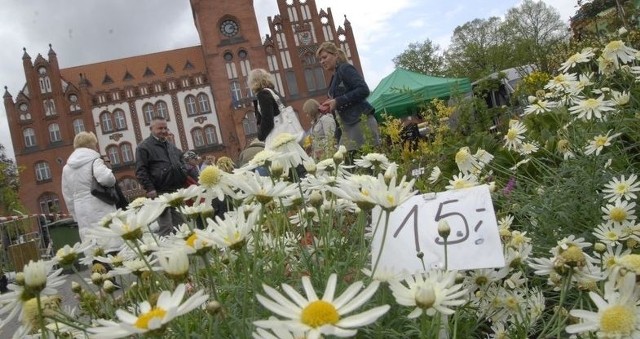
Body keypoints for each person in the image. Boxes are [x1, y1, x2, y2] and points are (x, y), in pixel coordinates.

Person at [316, 41, 380, 162]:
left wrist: (338, 101)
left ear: (335, 55)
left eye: (324, 57)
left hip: (360, 122)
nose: (322, 61)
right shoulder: (334, 78)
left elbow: (363, 90)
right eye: (320, 59)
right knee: (349, 166)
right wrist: (336, 136)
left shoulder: (345, 68)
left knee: (363, 166)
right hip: (347, 126)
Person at [61, 131, 124, 252]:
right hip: (99, 204)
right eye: (95, 144)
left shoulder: (66, 168)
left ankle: (97, 267)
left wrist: (74, 214)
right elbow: (107, 179)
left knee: (92, 245)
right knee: (109, 242)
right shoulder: (94, 160)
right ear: (90, 145)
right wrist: (109, 172)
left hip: (81, 209)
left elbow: (67, 195)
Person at [135, 116, 187, 235]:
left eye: (165, 128)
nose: (164, 131)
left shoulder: (170, 145)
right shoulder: (143, 147)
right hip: (159, 193)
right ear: (151, 128)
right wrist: (150, 188)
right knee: (166, 227)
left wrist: (183, 172)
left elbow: (181, 159)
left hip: (176, 190)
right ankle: (167, 252)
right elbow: (141, 170)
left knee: (182, 225)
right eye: (160, 128)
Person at [248, 68, 283, 143]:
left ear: (253, 82)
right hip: (284, 131)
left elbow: (268, 121)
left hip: (277, 137)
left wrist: (260, 136)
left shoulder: (263, 95)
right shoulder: (273, 92)